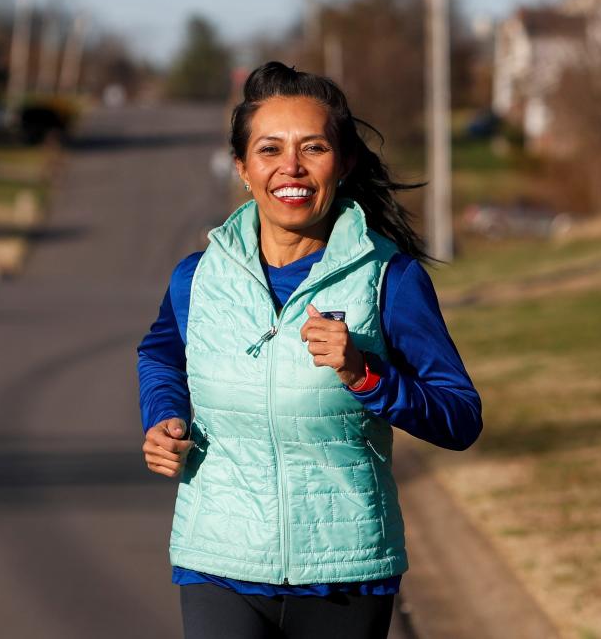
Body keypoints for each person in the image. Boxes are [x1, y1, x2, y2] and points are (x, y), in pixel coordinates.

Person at [137, 62, 482, 639]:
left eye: (313, 147)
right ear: (243, 168)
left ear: (343, 163)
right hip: (219, 560)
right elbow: (162, 353)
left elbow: (460, 417)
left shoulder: (388, 278)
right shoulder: (197, 278)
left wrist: (366, 375)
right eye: (269, 149)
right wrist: (164, 416)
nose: (290, 167)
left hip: (346, 574)